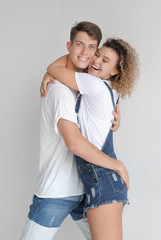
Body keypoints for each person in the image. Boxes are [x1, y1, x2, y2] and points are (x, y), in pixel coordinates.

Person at [20, 21, 127, 240]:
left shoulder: (85, 86)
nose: (88, 54)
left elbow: (101, 96)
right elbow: (74, 142)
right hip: (58, 189)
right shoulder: (61, 90)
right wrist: (117, 165)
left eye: (92, 48)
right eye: (80, 45)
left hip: (85, 187)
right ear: (69, 46)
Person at [43, 38, 139, 240]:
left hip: (102, 176)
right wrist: (49, 74)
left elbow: (54, 67)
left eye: (105, 60)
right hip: (101, 177)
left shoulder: (92, 83)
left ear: (114, 72)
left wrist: (49, 72)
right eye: (97, 54)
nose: (96, 61)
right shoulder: (109, 90)